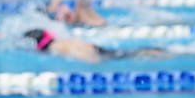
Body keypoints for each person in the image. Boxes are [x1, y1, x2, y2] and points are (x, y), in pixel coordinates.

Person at [22, 28, 169, 62]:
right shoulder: (59, 42)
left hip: (95, 52)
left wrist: (93, 61)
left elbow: (78, 51)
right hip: (96, 48)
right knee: (129, 53)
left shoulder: (56, 47)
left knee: (133, 54)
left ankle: (161, 53)